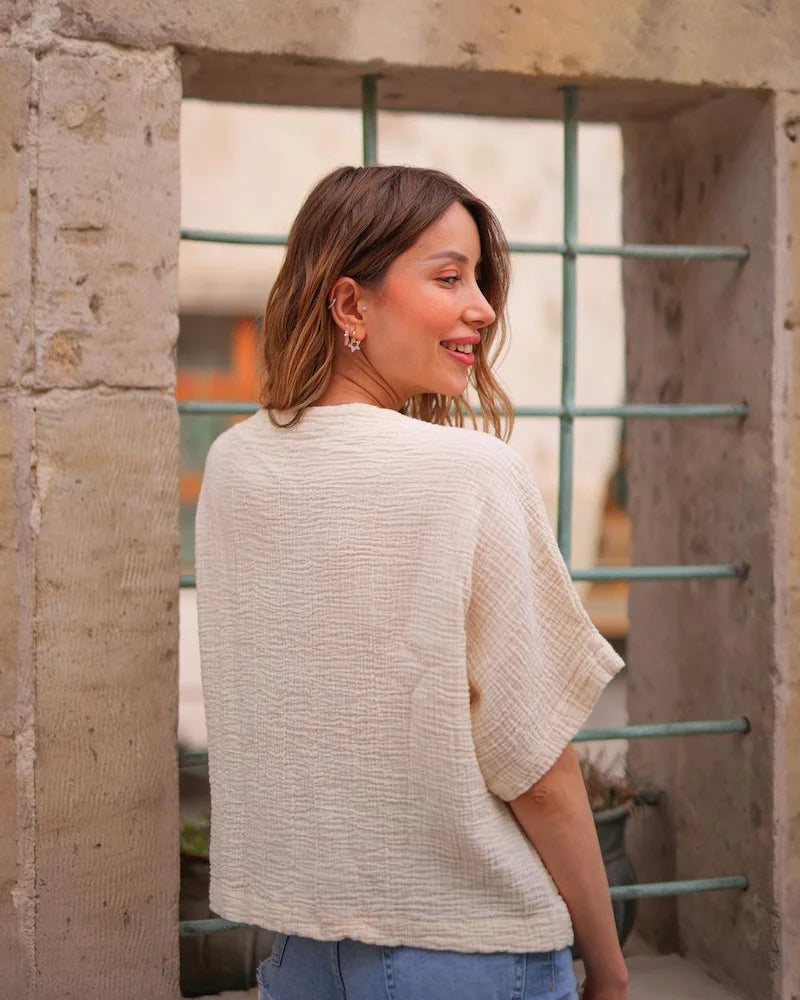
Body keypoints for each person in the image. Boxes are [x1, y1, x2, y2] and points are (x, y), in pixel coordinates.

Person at [195, 165, 629, 1000]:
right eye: (449, 277)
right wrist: (607, 971)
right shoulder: (472, 474)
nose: (484, 308)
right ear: (351, 305)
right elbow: (539, 769)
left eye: (479, 279)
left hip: (300, 958)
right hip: (471, 951)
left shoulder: (235, 464)